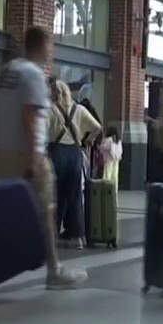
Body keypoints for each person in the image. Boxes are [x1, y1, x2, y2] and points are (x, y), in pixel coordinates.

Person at [0, 26, 87, 288]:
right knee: (46, 210)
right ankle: (54, 272)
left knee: (0, 211)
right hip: (23, 154)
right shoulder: (33, 75)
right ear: (44, 46)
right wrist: (35, 158)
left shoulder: (8, 71)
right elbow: (30, 117)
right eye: (51, 46)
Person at [47, 77, 101, 250]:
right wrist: (87, 141)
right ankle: (77, 236)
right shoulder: (80, 109)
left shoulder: (50, 110)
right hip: (75, 154)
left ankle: (52, 235)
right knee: (74, 195)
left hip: (56, 153)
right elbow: (97, 127)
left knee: (54, 195)